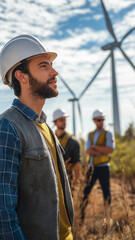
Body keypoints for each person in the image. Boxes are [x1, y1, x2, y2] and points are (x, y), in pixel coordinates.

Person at [0, 35, 74, 240]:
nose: (54, 72)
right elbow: (2, 213)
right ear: (21, 76)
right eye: (44, 66)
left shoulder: (45, 127)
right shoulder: (8, 127)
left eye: (51, 65)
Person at [81, 109, 114, 220]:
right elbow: (87, 150)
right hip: (92, 167)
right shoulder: (90, 135)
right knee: (85, 192)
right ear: (94, 121)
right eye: (99, 120)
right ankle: (81, 216)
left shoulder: (108, 134)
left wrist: (95, 147)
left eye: (102, 119)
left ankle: (108, 217)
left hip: (104, 167)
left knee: (106, 192)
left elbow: (110, 149)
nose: (101, 121)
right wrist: (102, 150)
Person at [53, 108, 81, 185]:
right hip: (52, 176)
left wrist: (76, 180)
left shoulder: (73, 142)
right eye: (61, 120)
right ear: (55, 123)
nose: (64, 122)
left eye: (65, 120)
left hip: (68, 177)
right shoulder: (50, 138)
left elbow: (77, 162)